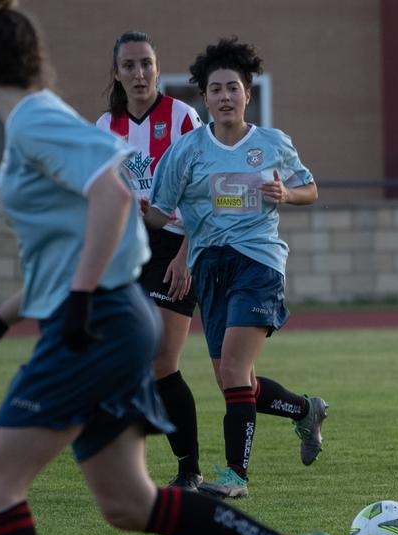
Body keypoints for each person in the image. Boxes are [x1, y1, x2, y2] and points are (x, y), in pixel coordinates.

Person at [0, 3, 336, 535]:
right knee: (130, 503)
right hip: (109, 314)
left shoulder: (36, 119)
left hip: (96, 321)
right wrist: (4, 316)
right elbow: (91, 220)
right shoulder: (47, 121)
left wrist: (77, 299)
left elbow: (113, 193)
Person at [145, 37, 327, 499]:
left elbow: (310, 189)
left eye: (233, 88)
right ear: (203, 98)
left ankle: (236, 476)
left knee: (231, 369)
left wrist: (288, 194)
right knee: (235, 380)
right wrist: (123, 206)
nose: (225, 97)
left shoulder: (271, 143)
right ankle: (306, 410)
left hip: (259, 264)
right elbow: (159, 213)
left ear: (248, 93)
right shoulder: (186, 151)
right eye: (215, 89)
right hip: (209, 269)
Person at [95, 31, 205, 490]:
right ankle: (128, 463)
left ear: (158, 68)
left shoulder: (182, 118)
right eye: (129, 66)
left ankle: (189, 470)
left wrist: (185, 255)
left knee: (162, 360)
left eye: (147, 64)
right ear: (117, 73)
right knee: (126, 359)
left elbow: (205, 192)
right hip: (127, 249)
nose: (139, 73)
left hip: (176, 244)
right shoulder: (104, 127)